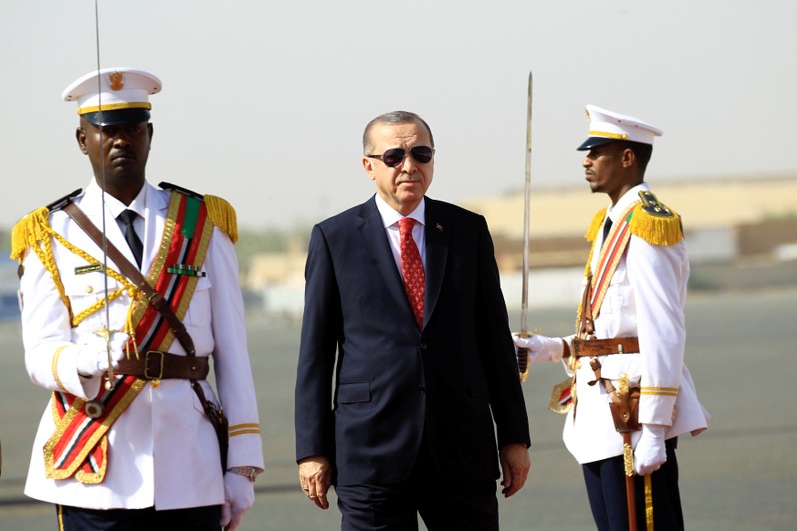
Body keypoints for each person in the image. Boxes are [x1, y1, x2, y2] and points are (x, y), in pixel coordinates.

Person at [11, 67, 263, 530]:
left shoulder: (201, 223)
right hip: (94, 462)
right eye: (106, 130)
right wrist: (85, 359)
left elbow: (234, 355)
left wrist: (242, 465)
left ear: (150, 135)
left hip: (190, 465)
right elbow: (39, 353)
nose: (121, 141)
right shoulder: (48, 233)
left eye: (132, 129)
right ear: (82, 139)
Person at [294, 110, 531, 530]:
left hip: (461, 450)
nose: (409, 166)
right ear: (368, 166)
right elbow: (315, 354)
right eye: (394, 156)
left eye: (421, 153)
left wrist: (514, 437)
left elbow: (494, 342)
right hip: (371, 454)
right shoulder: (335, 238)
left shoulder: (466, 231)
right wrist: (312, 451)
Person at [513, 105, 709, 530]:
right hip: (602, 415)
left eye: (596, 151)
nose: (586, 160)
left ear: (627, 158)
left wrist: (655, 427)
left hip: (632, 417)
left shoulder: (645, 223)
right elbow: (610, 326)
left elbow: (662, 330)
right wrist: (555, 348)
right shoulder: (609, 223)